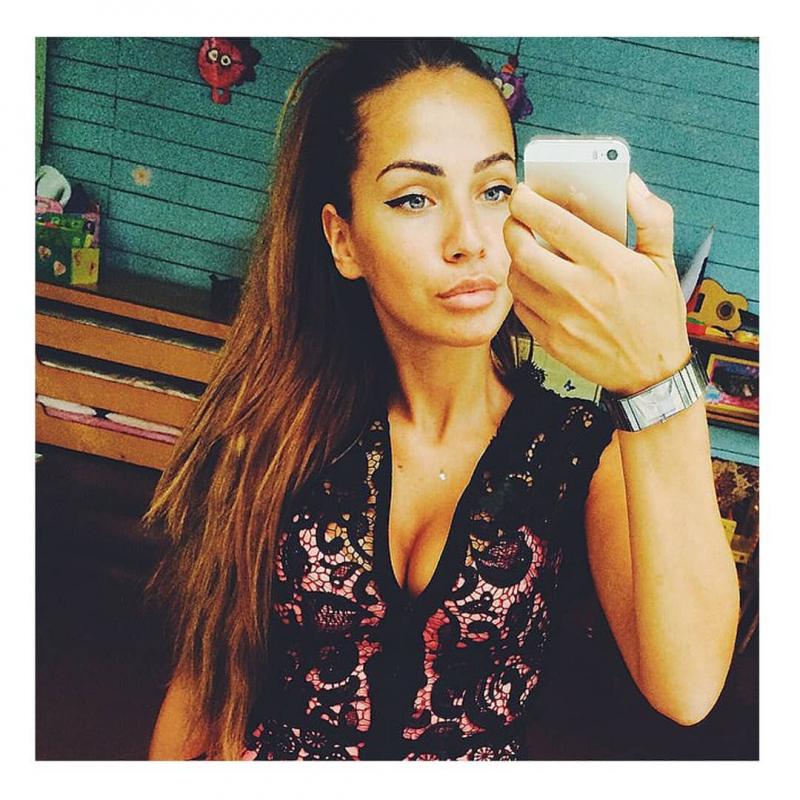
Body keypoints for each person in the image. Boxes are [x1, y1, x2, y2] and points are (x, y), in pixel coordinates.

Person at [144, 37, 740, 761]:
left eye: (494, 191)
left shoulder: (580, 452)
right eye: (414, 198)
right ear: (343, 240)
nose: (469, 240)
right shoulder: (273, 423)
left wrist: (659, 376)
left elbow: (688, 688)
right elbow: (205, 683)